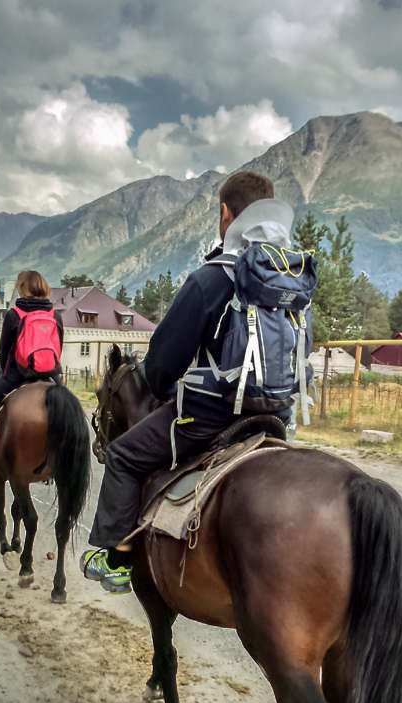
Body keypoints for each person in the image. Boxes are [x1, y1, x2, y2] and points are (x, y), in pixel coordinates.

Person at [81, 171, 295, 594]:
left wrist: (163, 390)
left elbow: (162, 364)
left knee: (124, 455)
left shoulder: (213, 277)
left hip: (211, 415)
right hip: (277, 416)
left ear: (224, 214)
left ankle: (116, 556)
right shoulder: (291, 279)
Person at [0, 270, 63, 470]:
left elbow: (5, 351)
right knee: (70, 411)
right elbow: (59, 348)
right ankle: (60, 461)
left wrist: (8, 374)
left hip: (19, 373)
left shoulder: (14, 314)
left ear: (23, 288)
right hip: (50, 373)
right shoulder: (55, 314)